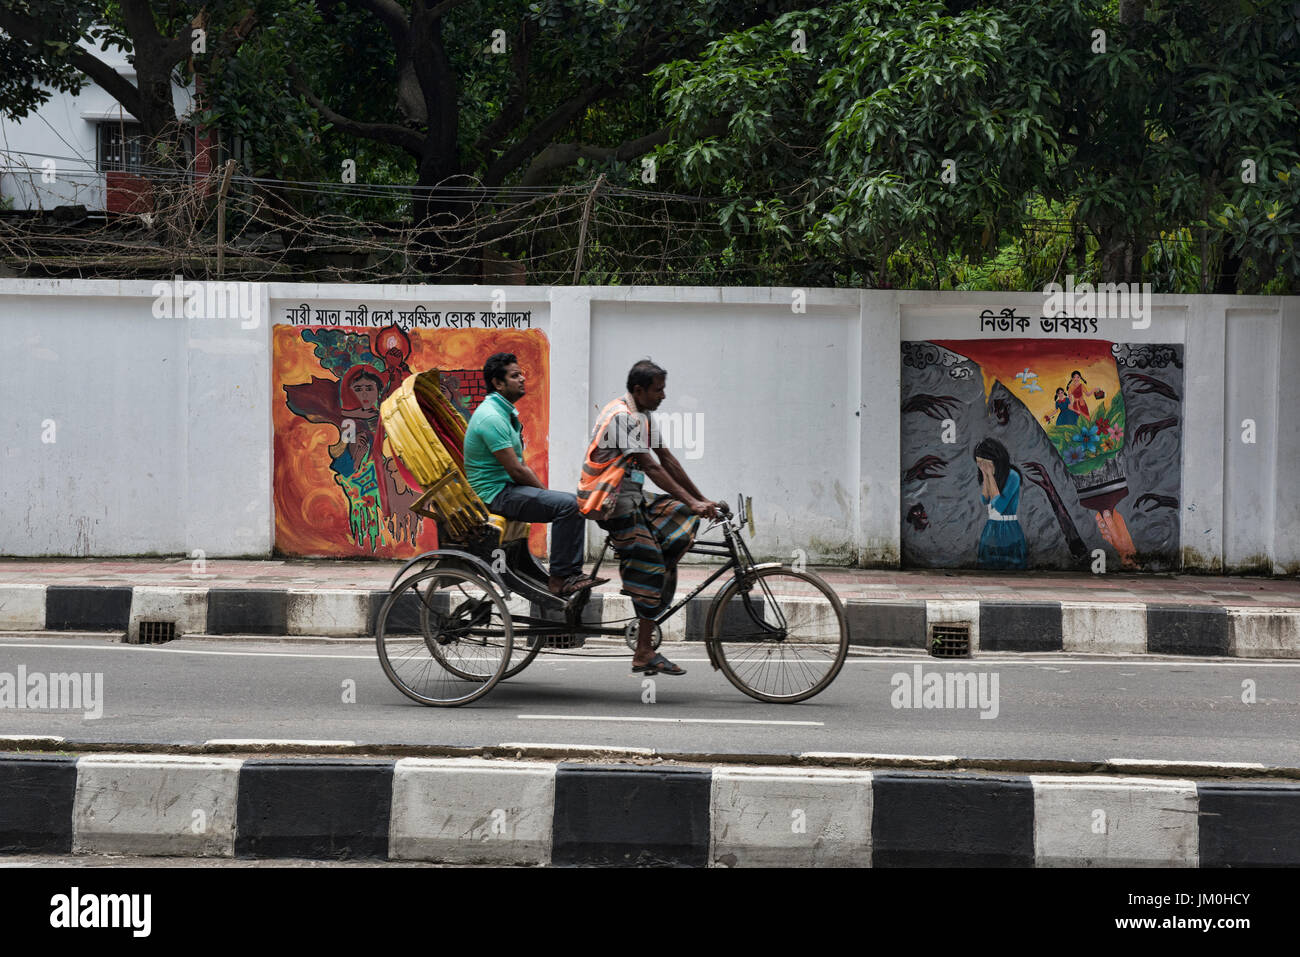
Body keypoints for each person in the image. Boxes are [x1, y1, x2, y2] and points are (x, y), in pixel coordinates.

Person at [578, 360, 719, 676]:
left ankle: (648, 585)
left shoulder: (642, 415)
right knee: (653, 566)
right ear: (639, 390)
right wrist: (694, 501)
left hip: (633, 497)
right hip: (611, 503)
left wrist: (700, 500)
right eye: (659, 390)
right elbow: (651, 467)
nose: (663, 396)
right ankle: (643, 650)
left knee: (680, 518)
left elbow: (666, 459)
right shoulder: (621, 417)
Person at [463, 352, 605, 596]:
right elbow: (517, 469)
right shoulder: (491, 417)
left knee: (568, 503)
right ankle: (562, 578)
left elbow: (519, 468)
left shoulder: (503, 413)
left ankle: (566, 574)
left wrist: (545, 496)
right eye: (514, 375)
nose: (522, 379)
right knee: (569, 506)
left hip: (505, 489)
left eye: (521, 374)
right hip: (494, 495)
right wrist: (545, 495)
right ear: (498, 383)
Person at [973, 437, 1028, 569]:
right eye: (979, 463)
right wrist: (986, 476)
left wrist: (990, 476)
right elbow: (985, 500)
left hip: (1008, 528)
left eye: (984, 463)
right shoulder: (990, 475)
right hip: (991, 527)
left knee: (1011, 565)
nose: (982, 467)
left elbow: (999, 506)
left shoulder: (1013, 476)